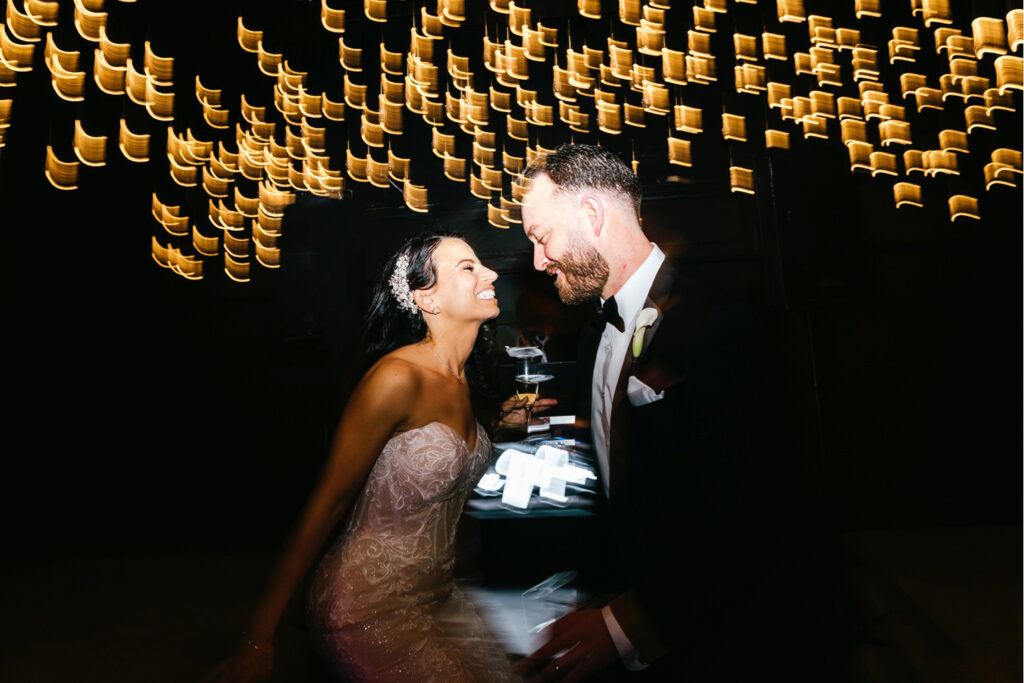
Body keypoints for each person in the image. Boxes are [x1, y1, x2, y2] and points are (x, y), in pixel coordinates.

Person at [513, 145, 847, 681]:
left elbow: (758, 517)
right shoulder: (595, 331)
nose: (538, 261)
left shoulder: (722, 324)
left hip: (730, 639)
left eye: (541, 237)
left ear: (592, 215)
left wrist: (628, 625)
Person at [208, 232, 544, 682]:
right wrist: (258, 639)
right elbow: (326, 505)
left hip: (439, 598)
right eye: (468, 267)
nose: (491, 273)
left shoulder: (465, 379)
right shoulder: (396, 378)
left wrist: (499, 425)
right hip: (366, 608)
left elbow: (440, 459)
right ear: (427, 297)